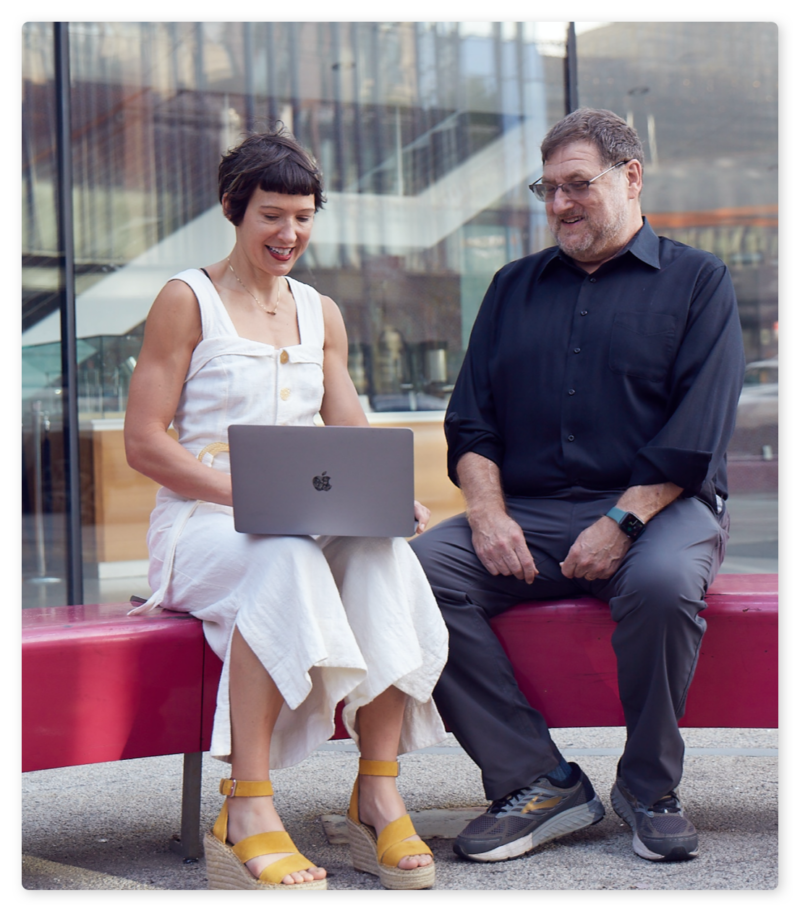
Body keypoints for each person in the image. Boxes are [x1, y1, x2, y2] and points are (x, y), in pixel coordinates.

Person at [410, 108, 744, 864]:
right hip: (527, 511)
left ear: (630, 177)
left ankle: (649, 787)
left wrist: (621, 523)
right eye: (547, 189)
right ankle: (537, 778)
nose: (559, 205)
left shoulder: (700, 281)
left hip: (663, 508)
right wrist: (487, 514)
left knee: (660, 585)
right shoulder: (510, 287)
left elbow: (695, 435)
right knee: (418, 573)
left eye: (576, 186)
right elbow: (471, 424)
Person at [124, 128, 448, 891]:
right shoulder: (186, 300)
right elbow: (143, 443)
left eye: (303, 217)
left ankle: (376, 788)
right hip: (203, 526)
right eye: (272, 215)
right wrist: (249, 491)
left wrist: (387, 498)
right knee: (285, 555)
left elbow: (351, 434)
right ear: (233, 210)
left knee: (382, 553)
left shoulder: (321, 312)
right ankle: (247, 806)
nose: (290, 234)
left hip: (300, 514)